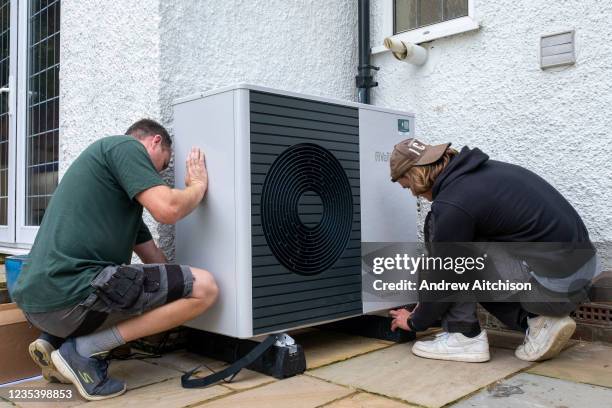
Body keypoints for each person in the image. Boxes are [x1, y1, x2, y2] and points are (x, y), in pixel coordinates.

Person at [12, 119, 218, 400]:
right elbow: (168, 209)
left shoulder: (119, 198)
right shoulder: (125, 146)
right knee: (205, 287)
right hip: (71, 296)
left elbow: (155, 260)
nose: (161, 172)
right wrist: (197, 186)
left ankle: (53, 341)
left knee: (150, 284)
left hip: (40, 302)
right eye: (165, 164)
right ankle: (81, 352)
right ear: (154, 141)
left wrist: (175, 288)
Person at [387, 138, 596, 363]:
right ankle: (539, 322)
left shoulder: (453, 202)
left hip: (553, 288)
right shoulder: (483, 174)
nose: (414, 195)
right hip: (580, 277)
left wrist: (415, 321)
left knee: (441, 239)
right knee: (458, 248)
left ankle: (464, 336)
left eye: (408, 186)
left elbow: (446, 273)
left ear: (416, 175)